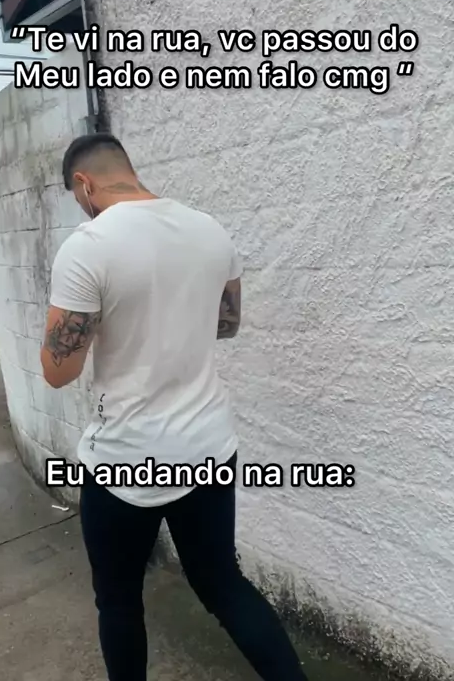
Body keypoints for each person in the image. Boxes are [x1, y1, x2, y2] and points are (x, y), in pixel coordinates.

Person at [41, 133, 309, 681]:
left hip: (125, 459)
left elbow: (58, 371)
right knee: (223, 585)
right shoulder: (209, 229)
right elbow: (227, 326)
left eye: (77, 197)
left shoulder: (88, 246)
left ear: (83, 184)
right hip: (207, 446)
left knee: (119, 601)